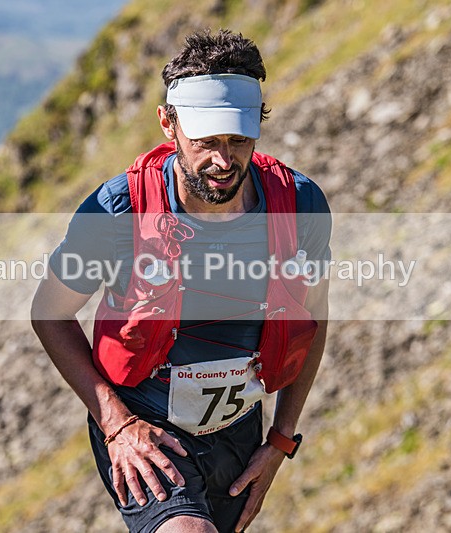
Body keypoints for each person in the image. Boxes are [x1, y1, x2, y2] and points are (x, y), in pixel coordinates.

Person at [32, 29, 331, 532]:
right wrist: (116, 423)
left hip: (237, 432)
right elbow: (49, 311)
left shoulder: (300, 206)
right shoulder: (116, 211)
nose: (223, 160)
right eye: (207, 142)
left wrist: (281, 438)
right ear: (168, 125)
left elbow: (314, 318)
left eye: (239, 140)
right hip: (145, 426)